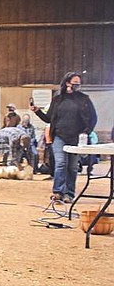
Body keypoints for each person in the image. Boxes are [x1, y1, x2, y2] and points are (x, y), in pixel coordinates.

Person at [32, 72, 97, 203]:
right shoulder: (57, 99)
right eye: (75, 83)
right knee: (61, 163)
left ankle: (69, 194)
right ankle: (58, 192)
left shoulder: (84, 99)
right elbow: (49, 118)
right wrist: (37, 111)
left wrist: (86, 132)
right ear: (67, 83)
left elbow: (93, 117)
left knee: (72, 167)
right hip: (59, 136)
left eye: (79, 83)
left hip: (76, 137)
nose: (78, 85)